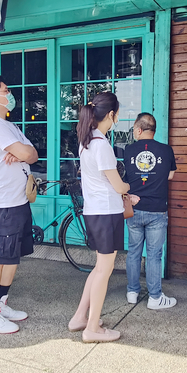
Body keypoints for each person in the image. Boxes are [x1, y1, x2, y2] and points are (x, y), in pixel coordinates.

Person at [68, 92, 139, 343]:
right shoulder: (102, 145)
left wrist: (123, 192)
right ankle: (92, 329)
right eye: (117, 113)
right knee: (104, 270)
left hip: (94, 211)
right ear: (111, 115)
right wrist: (129, 190)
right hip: (106, 213)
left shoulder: (86, 142)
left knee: (99, 268)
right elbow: (118, 185)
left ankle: (80, 317)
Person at [0, 76, 38, 334]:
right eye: (5, 91)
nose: (9, 94)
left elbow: (32, 153)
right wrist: (22, 151)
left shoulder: (8, 125)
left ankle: (1, 303)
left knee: (12, 257)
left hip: (18, 200)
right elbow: (26, 154)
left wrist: (23, 151)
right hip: (1, 204)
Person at [124, 112, 177, 309]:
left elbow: (125, 177)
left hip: (134, 208)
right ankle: (155, 297)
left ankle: (132, 291)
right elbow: (170, 176)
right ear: (153, 130)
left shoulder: (128, 150)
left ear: (139, 129)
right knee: (154, 255)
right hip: (157, 209)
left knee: (133, 252)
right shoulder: (166, 150)